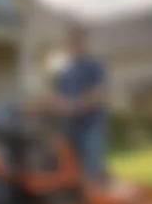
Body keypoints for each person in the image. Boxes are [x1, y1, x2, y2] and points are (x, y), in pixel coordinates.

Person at [35, 25, 108, 184]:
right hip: (69, 129)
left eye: (77, 40)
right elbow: (57, 96)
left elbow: (98, 95)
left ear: (84, 42)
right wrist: (44, 105)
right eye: (70, 41)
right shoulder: (65, 70)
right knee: (70, 172)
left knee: (92, 172)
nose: (73, 44)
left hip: (90, 127)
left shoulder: (93, 66)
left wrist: (73, 106)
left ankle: (102, 200)